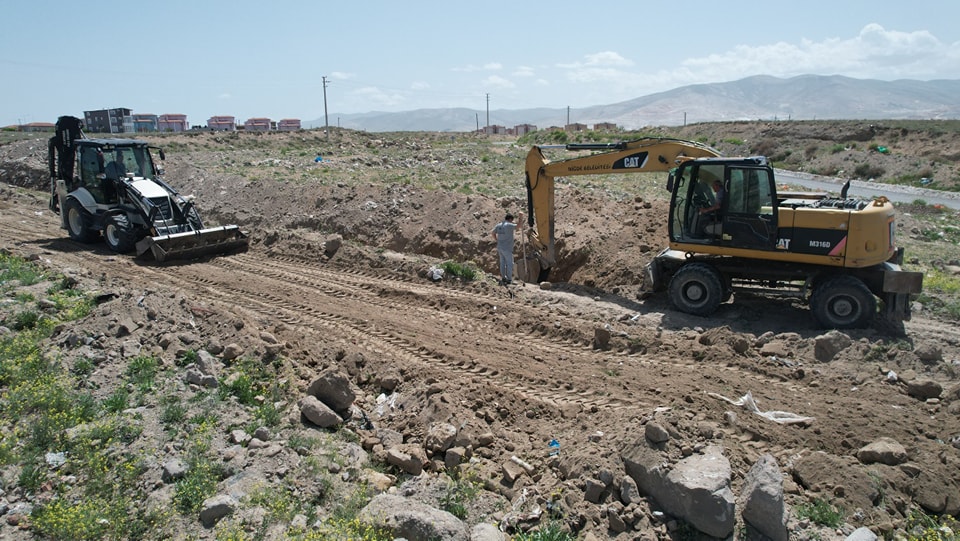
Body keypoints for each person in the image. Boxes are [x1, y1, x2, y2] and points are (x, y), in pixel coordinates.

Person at [492, 212, 521, 285]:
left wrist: (496, 240)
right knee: (509, 263)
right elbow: (518, 226)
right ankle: (509, 279)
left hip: (500, 247)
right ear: (510, 219)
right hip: (507, 248)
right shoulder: (509, 225)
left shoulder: (499, 225)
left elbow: (492, 233)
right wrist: (520, 217)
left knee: (502, 262)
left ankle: (503, 278)